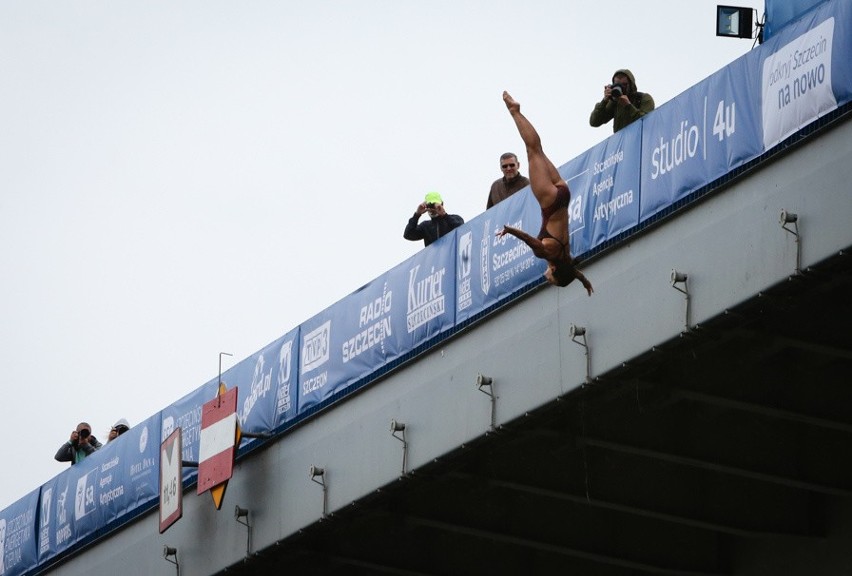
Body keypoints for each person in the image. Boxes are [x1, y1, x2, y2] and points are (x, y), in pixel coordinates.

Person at [498, 91, 593, 295]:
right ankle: (515, 111)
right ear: (555, 271)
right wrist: (509, 230)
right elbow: (528, 239)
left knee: (538, 149)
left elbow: (573, 272)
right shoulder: (547, 254)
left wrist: (584, 280)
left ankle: (516, 112)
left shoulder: (566, 259)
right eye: (551, 280)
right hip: (549, 201)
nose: (546, 279)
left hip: (563, 194)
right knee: (532, 150)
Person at [589, 69, 655, 133]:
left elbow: (648, 122)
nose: (621, 88)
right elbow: (594, 122)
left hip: (640, 140)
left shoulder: (643, 98)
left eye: (624, 85)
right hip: (622, 142)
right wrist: (604, 101)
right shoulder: (614, 102)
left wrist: (628, 106)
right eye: (617, 85)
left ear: (631, 85)